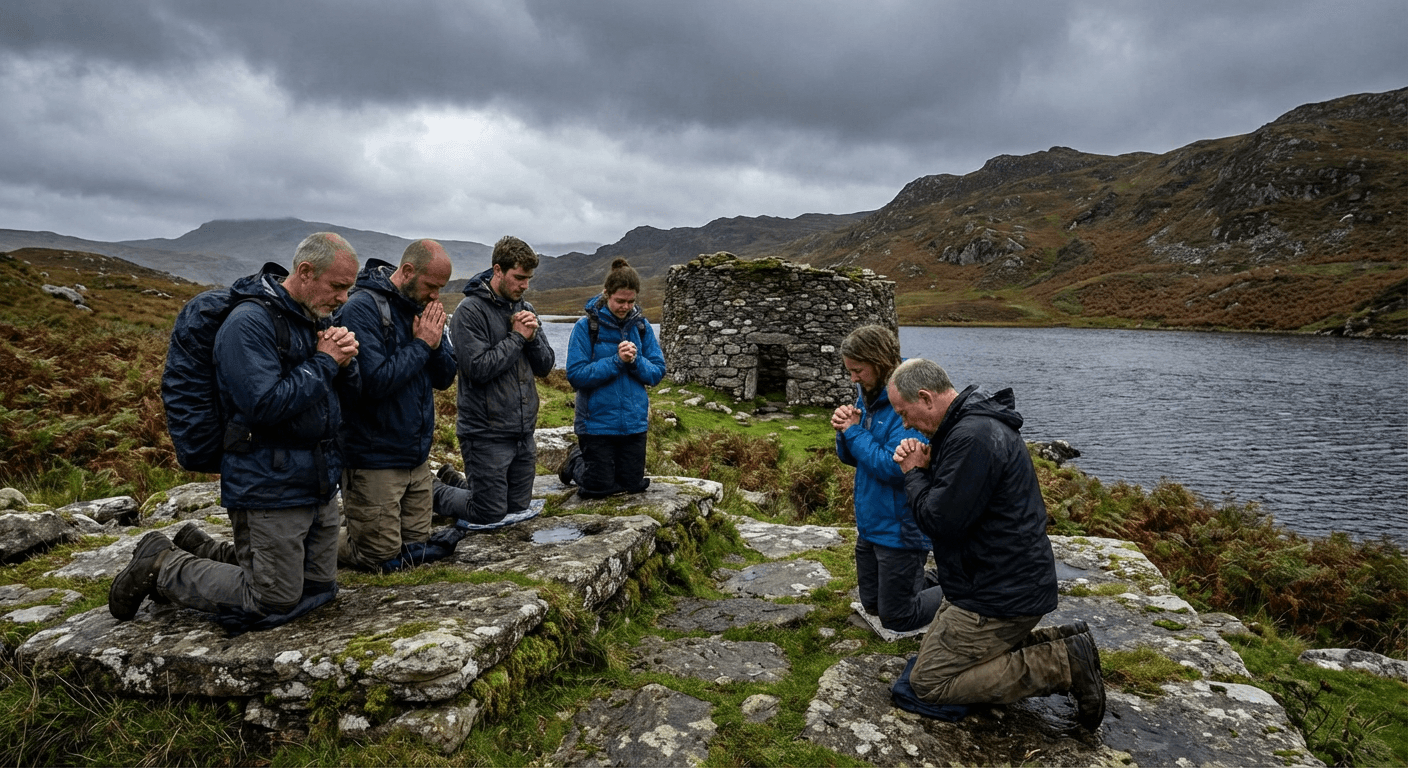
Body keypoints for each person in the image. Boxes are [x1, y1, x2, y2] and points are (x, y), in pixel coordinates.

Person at [110, 232, 361, 632]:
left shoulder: (314, 318)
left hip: (316, 479)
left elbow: (343, 398)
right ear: (306, 271)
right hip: (268, 481)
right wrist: (326, 362)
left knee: (319, 587)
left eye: (349, 288)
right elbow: (263, 405)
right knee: (272, 597)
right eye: (338, 286)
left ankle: (203, 547)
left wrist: (346, 363)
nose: (344, 298)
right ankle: (162, 564)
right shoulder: (248, 323)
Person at [887, 358, 1105, 730]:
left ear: (925, 397)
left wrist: (914, 474)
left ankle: (1061, 663)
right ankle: (1064, 642)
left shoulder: (972, 437)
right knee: (922, 667)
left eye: (905, 413)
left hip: (996, 597)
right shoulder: (969, 428)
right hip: (996, 583)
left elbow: (940, 521)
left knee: (927, 684)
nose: (905, 424)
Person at [335, 240, 457, 572]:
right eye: (431, 286)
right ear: (406, 272)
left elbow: (445, 377)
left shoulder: (422, 308)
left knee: (415, 551)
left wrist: (433, 343)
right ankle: (312, 542)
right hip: (374, 457)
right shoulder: (360, 308)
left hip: (415, 458)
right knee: (380, 558)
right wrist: (422, 344)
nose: (435, 295)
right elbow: (374, 383)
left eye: (440, 288)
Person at [832, 325, 941, 633]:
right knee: (873, 606)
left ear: (879, 363)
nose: (853, 378)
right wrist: (843, 430)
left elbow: (895, 468)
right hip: (871, 523)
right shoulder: (868, 393)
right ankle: (937, 578)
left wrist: (853, 431)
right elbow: (853, 458)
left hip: (900, 528)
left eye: (858, 370)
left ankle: (968, 590)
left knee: (898, 616)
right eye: (850, 371)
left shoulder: (907, 398)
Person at [448, 235, 554, 524]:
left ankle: (457, 483)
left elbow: (545, 366)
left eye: (529, 279)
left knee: (517, 510)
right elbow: (478, 369)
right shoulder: (469, 312)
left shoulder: (526, 309)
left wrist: (530, 339)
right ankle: (430, 491)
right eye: (519, 277)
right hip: (485, 434)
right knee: (489, 512)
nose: (525, 286)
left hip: (522, 433)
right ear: (497, 270)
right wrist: (518, 336)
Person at [560, 258, 666, 497]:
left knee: (632, 485)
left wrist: (636, 361)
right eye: (619, 301)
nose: (625, 307)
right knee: (598, 487)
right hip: (596, 425)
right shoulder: (586, 327)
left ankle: (606, 467)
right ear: (606, 294)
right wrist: (617, 361)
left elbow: (657, 371)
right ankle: (575, 459)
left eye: (631, 301)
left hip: (633, 425)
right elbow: (576, 375)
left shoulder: (642, 327)